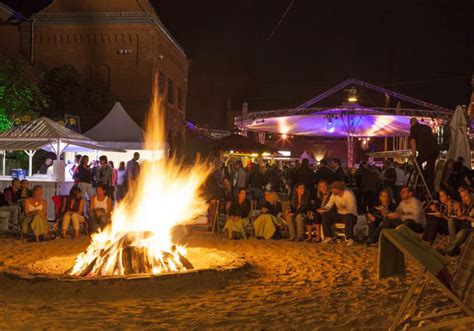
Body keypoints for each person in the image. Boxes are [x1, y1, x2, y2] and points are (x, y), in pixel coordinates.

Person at [318, 181, 357, 245]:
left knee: (348, 216)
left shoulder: (348, 194)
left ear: (338, 189)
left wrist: (343, 207)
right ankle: (329, 236)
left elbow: (351, 209)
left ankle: (350, 239)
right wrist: (323, 209)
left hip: (351, 215)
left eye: (333, 189)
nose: (331, 190)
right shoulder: (334, 195)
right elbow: (329, 205)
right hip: (340, 214)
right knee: (325, 215)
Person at [409, 118, 440, 192]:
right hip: (435, 150)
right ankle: (430, 188)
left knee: (417, 162)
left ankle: (421, 178)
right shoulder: (426, 127)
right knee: (430, 170)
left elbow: (413, 141)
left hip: (426, 150)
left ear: (411, 123)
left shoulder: (413, 128)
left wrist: (413, 154)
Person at [443, 189, 474, 255]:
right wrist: (458, 208)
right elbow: (461, 215)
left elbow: (467, 217)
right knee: (451, 220)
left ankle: (447, 250)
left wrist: (467, 218)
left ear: (471, 194)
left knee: (462, 232)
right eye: (462, 197)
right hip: (466, 224)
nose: (463, 199)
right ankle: (454, 248)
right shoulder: (467, 204)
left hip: (472, 227)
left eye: (465, 196)